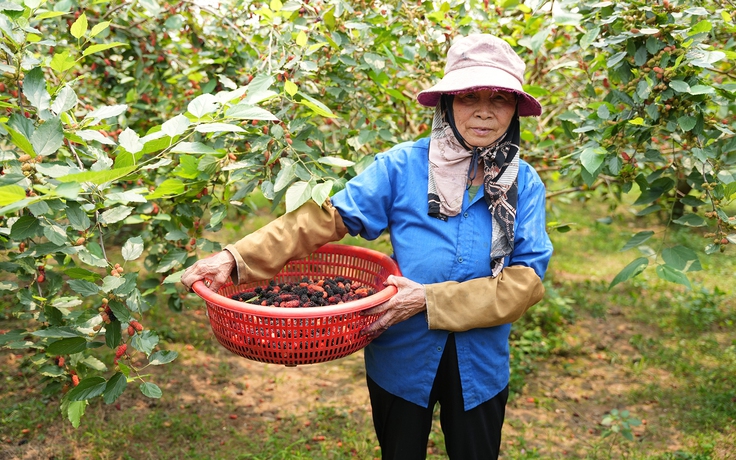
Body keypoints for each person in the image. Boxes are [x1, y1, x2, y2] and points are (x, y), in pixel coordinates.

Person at [181, 33, 553, 460]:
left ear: (514, 111)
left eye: (500, 99)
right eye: (470, 97)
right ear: (447, 104)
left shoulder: (524, 184)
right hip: (402, 355)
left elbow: (526, 281)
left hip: (481, 362)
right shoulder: (401, 166)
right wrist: (235, 256)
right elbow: (326, 217)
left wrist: (429, 299)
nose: (484, 111)